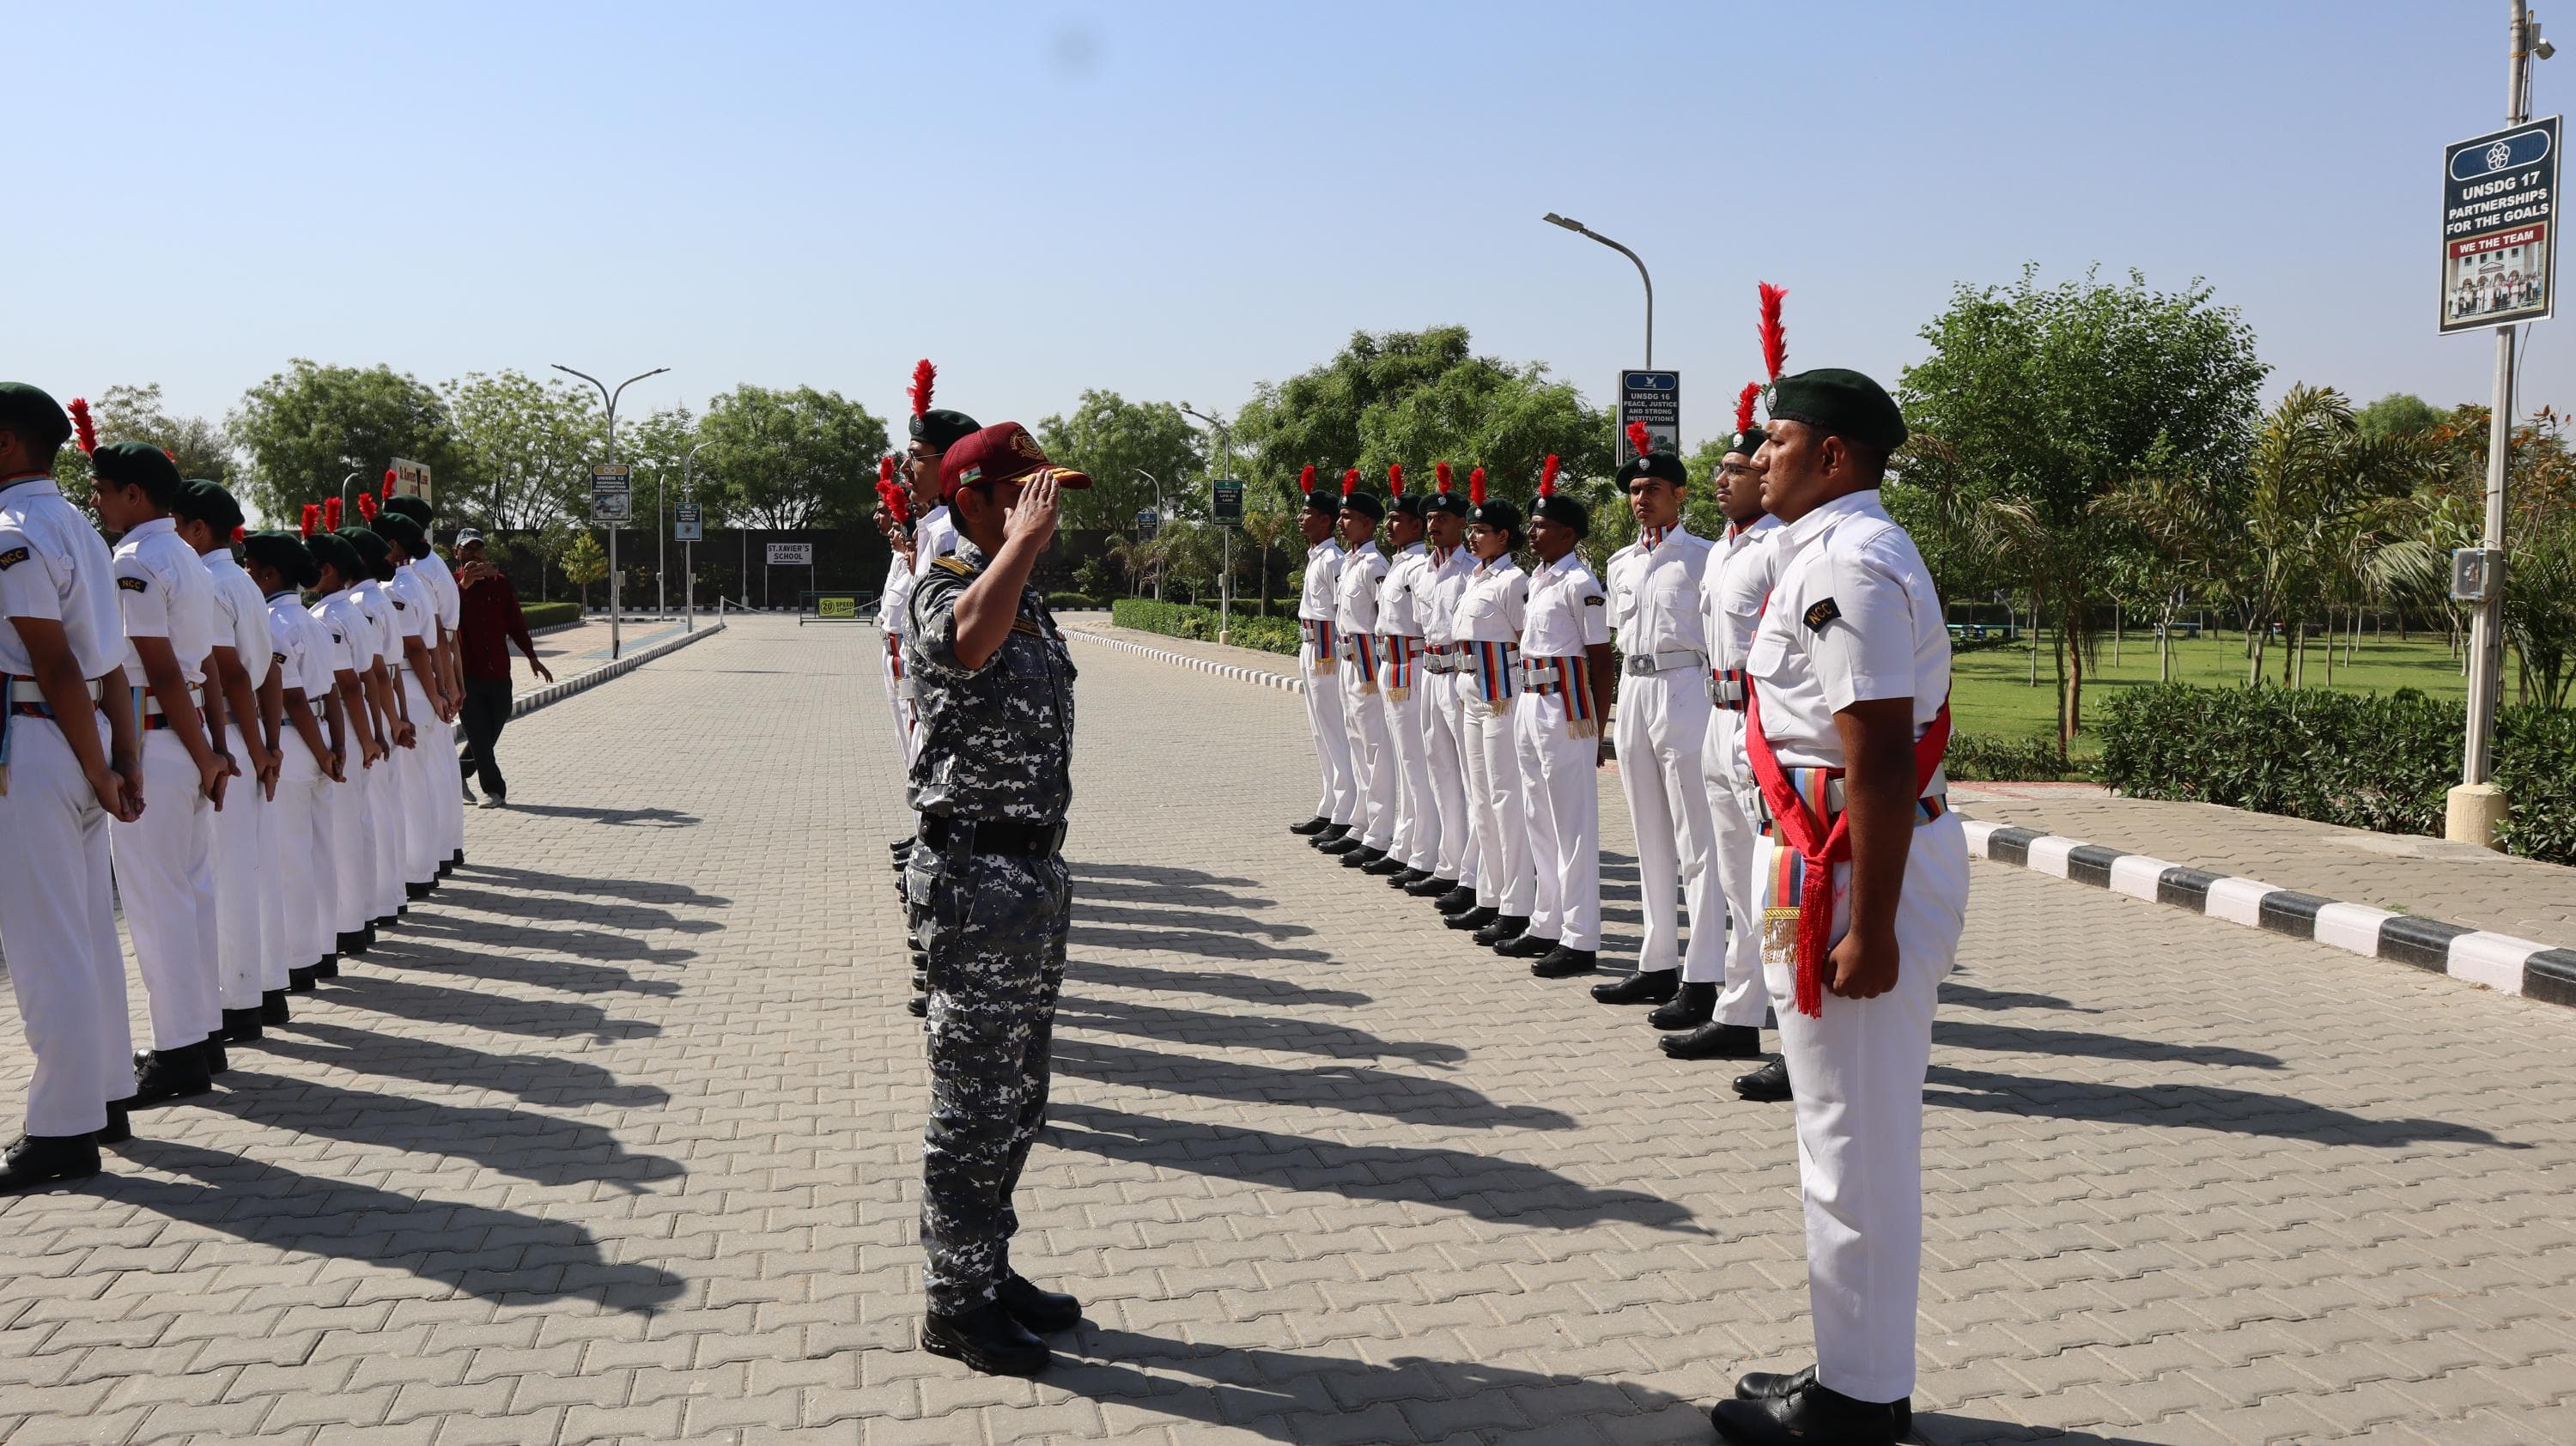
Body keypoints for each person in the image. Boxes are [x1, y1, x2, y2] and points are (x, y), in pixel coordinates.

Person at [1709, 368, 1960, 1446]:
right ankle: (1857, 1366)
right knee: (1841, 1132)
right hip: (1820, 864)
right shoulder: (1826, 550)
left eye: (1776, 440)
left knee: (1853, 1139)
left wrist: (1872, 926)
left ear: (1832, 455)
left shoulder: (1848, 563)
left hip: (1851, 875)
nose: (1757, 456)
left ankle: (1859, 1402)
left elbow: (1882, 757)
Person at [904, 422, 1089, 1376]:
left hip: (1032, 877)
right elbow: (967, 643)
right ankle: (955, 1305)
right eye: (1023, 494)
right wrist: (1018, 547)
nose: (1044, 510)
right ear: (972, 500)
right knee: (973, 1100)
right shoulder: (941, 583)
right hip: (975, 880)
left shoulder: (1027, 593)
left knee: (1019, 1098)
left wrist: (1019, 554)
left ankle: (988, 1267)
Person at [0, 385, 143, 1190]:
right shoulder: (82, 529)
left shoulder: (13, 530)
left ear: (7, 442)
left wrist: (100, 767)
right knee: (85, 933)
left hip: (38, 742)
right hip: (79, 741)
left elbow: (54, 663)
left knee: (46, 945)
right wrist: (120, 763)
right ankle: (105, 1093)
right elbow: (110, 662)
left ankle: (62, 1129)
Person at [97, 440, 229, 1105]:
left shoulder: (136, 562)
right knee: (191, 894)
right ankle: (201, 1034)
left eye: (103, 490)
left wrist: (205, 755)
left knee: (158, 905)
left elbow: (163, 670)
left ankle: (178, 1053)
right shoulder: (185, 556)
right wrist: (208, 751)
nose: (96, 501)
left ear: (134, 494)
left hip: (154, 738)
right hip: (183, 736)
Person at [1669, 399, 1792, 1077]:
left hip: (1762, 723)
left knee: (1780, 887)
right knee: (1737, 880)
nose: (1721, 480)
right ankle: (1740, 1014)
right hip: (1718, 719)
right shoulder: (1723, 549)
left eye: (1736, 469)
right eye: (1720, 469)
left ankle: (1796, 1035)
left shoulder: (1780, 548)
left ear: (1766, 475)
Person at [1593, 426, 1718, 1012]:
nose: (1641, 498)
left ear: (1680, 495)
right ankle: (1657, 961)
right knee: (1648, 834)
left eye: (1653, 489)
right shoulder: (1621, 563)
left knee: (1696, 837)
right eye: (1635, 490)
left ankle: (1703, 973)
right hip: (1635, 689)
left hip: (1684, 687)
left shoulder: (1703, 558)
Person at [171, 481, 279, 1046]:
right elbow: (266, 670)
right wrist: (265, 745)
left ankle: (237, 1003)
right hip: (244, 729)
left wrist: (255, 750)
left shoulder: (210, 584)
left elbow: (230, 673)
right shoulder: (238, 580)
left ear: (197, 530)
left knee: (227, 877)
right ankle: (255, 991)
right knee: (245, 870)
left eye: (176, 525)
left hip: (229, 731)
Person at [1510, 456, 1615, 977]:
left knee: (1572, 825)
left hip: (1566, 709)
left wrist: (1597, 727)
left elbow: (1601, 659)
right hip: (1531, 701)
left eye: (1542, 525)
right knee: (1538, 817)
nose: (1532, 532)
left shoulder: (1580, 582)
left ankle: (1579, 936)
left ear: (1568, 533)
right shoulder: (1541, 578)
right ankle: (1546, 922)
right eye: (1531, 524)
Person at [245, 528, 341, 997]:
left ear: (269, 575)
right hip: (318, 737)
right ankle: (322, 948)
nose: (246, 576)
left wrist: (323, 752)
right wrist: (335, 746)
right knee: (318, 852)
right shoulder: (311, 620)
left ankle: (299, 959)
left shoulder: (275, 623)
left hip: (296, 737)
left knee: (290, 860)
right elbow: (333, 689)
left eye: (251, 569)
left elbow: (294, 698)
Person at [1449, 471, 1534, 943]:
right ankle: (1490, 895)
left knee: (1505, 797)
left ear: (1504, 536)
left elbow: (1525, 639)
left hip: (1502, 692)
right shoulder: (1475, 577)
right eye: (1472, 530)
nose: (1473, 537)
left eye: (1481, 530)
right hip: (1470, 689)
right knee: (1480, 796)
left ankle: (1517, 905)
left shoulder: (1514, 581)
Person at [309, 530, 390, 959]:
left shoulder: (328, 617)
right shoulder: (350, 611)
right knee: (357, 826)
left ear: (327, 570)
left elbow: (349, 685)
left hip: (342, 723)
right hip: (358, 729)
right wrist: (374, 732)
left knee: (342, 833)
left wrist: (367, 736)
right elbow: (373, 675)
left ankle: (349, 925)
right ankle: (362, 917)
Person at [380, 493, 466, 872]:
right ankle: (444, 850)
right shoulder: (431, 566)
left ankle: (422, 864)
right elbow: (446, 634)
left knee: (416, 781)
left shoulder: (413, 574)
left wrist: (444, 690)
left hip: (417, 677)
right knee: (437, 772)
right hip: (434, 673)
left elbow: (426, 641)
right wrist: (450, 685)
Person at [1406, 465, 1479, 904]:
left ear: (1462, 524)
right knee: (1440, 770)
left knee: (1472, 776)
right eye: (1430, 518)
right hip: (1430, 674)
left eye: (1443, 518)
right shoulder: (1421, 572)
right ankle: (1449, 864)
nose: (1434, 524)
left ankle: (1475, 873)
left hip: (1462, 674)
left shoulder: (1471, 570)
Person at [453, 530, 552, 809]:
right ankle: (495, 790)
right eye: (467, 550)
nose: (474, 555)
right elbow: (443, 621)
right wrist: (464, 586)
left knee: (493, 725)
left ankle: (457, 774)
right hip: (465, 674)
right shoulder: (449, 587)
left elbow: (516, 623)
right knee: (478, 734)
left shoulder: (500, 584)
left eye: (478, 549)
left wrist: (532, 656)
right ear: (456, 553)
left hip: (498, 671)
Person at [1370, 465, 1436, 885]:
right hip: (1390, 665)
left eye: (1397, 519)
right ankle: (1407, 843)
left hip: (1412, 667)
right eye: (1389, 519)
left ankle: (1423, 849)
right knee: (1404, 760)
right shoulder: (1398, 564)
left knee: (1417, 763)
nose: (1389, 525)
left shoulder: (1418, 567)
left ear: (1417, 525)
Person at [1328, 471, 1394, 870]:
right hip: (1348, 661)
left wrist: (1375, 670)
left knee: (1375, 749)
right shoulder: (1351, 563)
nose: (1341, 522)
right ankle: (1363, 823)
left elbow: (1382, 618)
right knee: (1356, 742)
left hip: (1368, 663)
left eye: (1348, 517)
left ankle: (1380, 831)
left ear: (1368, 523)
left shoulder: (1374, 565)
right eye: (1341, 516)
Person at [1287, 466, 1354, 845]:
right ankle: (1330, 804)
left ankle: (1345, 811)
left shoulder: (1333, 560)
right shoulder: (1317, 556)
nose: (1301, 518)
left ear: (1326, 520)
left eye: (1308, 513)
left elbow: (1342, 613)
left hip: (1328, 652)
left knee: (1335, 731)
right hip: (1310, 647)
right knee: (1320, 732)